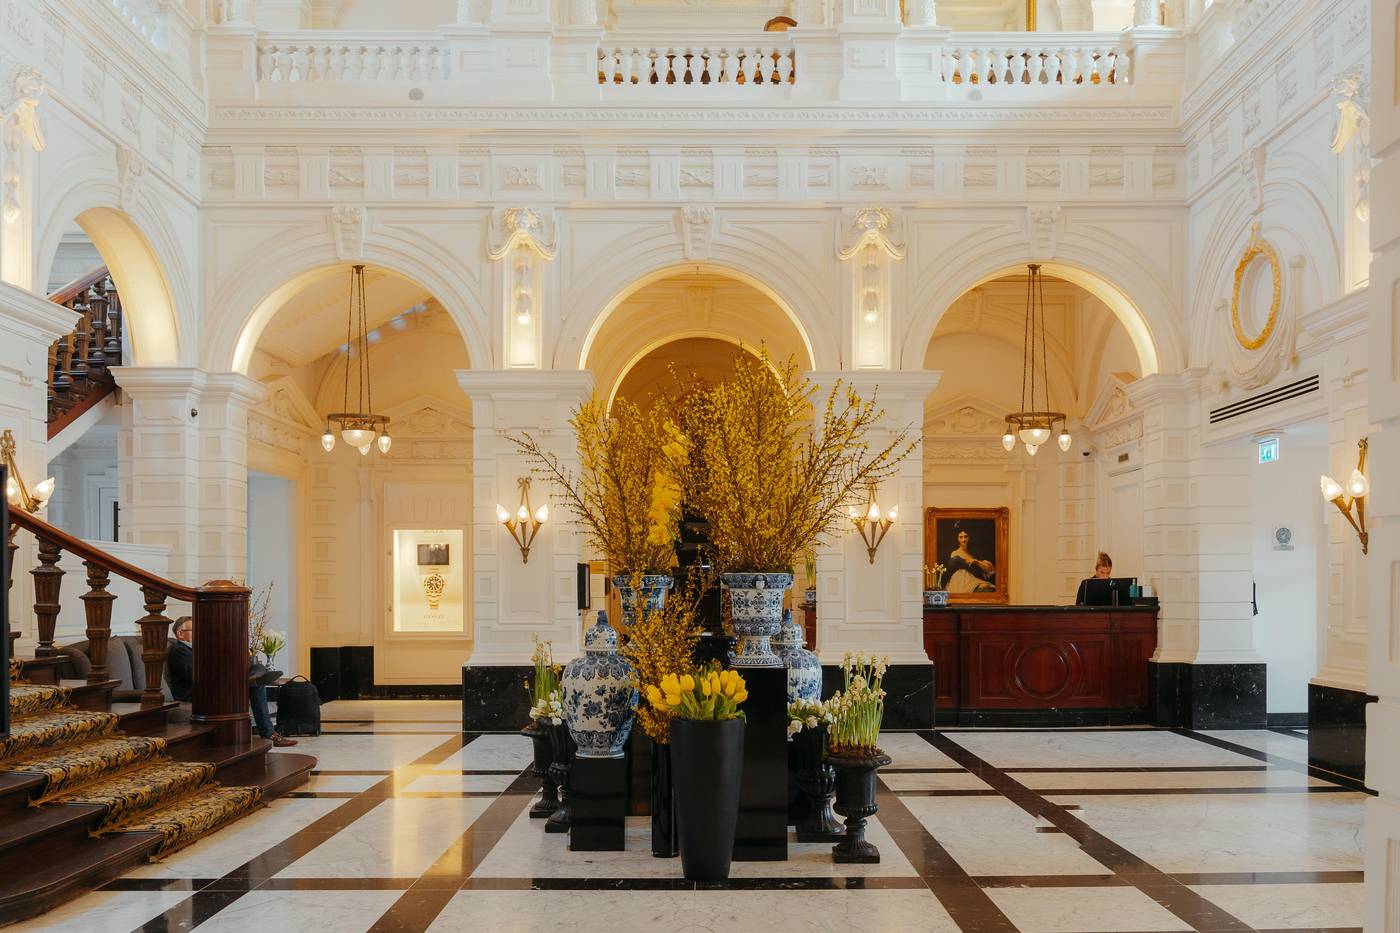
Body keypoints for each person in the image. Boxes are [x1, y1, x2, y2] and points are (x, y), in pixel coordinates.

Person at [165, 616, 297, 748]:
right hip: (198, 692)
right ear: (181, 633)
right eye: (195, 630)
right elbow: (194, 676)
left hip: (213, 685)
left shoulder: (198, 650)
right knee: (256, 686)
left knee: (256, 667)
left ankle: (253, 678)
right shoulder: (179, 650)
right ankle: (268, 731)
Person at [946, 527, 996, 593]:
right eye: (960, 537)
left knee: (987, 586)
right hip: (960, 581)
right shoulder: (955, 553)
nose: (963, 539)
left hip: (973, 579)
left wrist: (976, 561)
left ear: (969, 538)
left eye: (965, 536)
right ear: (957, 539)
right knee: (984, 586)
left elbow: (988, 568)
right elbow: (957, 572)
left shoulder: (973, 553)